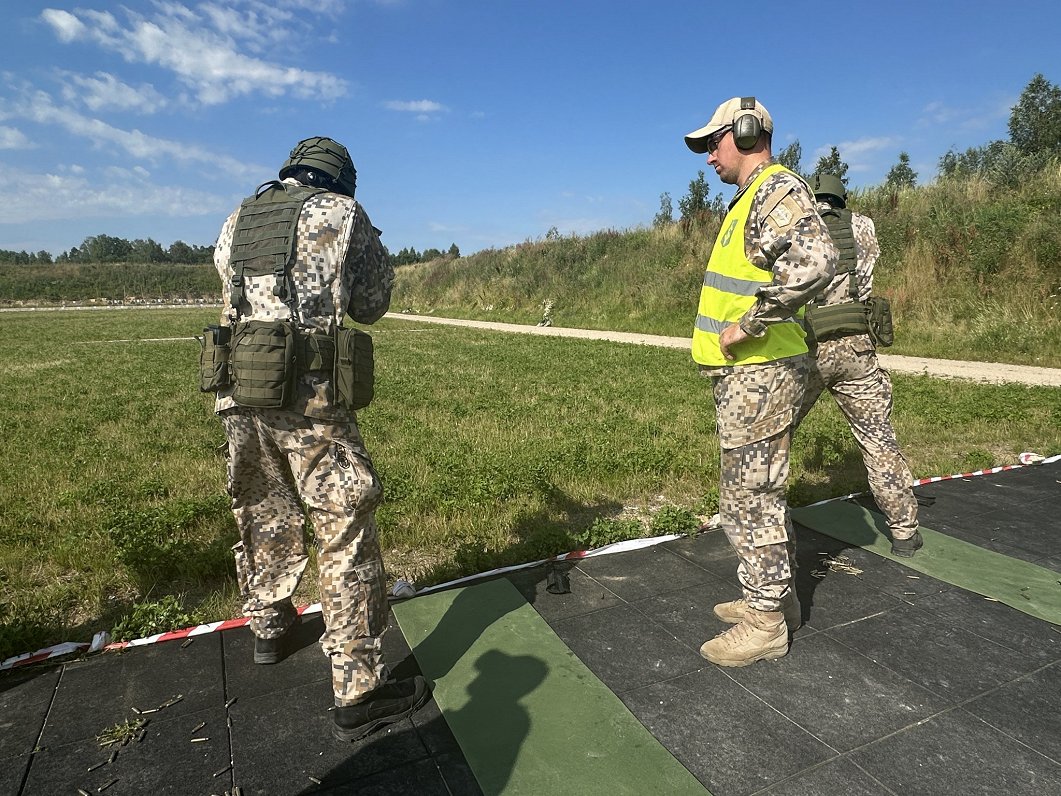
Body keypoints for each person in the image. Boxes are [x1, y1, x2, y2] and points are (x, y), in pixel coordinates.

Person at [202, 136, 429, 741]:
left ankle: (269, 626)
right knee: (343, 521)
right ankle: (358, 687)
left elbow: (231, 287)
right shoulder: (343, 215)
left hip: (240, 391)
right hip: (310, 399)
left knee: (261, 509)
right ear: (341, 181)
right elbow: (372, 303)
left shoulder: (237, 217)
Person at [683, 97, 837, 667]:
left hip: (761, 371)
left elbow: (816, 260)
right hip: (750, 374)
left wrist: (747, 326)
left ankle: (767, 621)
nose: (708, 157)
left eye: (713, 143)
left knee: (751, 497)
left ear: (745, 134)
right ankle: (777, 601)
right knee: (752, 493)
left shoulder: (775, 190)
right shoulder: (752, 198)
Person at [796, 173, 923, 557]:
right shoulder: (863, 226)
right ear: (840, 196)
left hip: (809, 346)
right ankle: (903, 531)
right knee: (878, 440)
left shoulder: (800, 226)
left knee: (776, 434)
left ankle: (760, 518)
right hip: (857, 345)